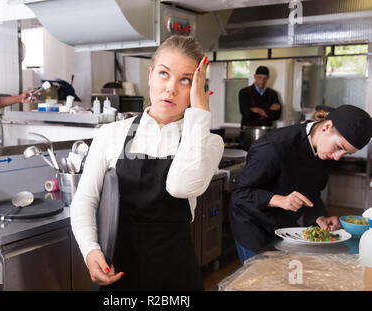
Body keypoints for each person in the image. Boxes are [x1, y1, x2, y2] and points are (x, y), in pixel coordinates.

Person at [70, 35, 224, 290]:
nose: (171, 89)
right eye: (164, 74)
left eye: (185, 80)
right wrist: (90, 251)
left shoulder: (207, 142)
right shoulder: (111, 134)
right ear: (150, 75)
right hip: (116, 270)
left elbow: (181, 187)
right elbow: (85, 200)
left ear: (197, 87)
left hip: (175, 274)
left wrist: (200, 114)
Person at [229, 104, 372, 264]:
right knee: (258, 280)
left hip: (285, 227)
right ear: (327, 126)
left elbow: (312, 192)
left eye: (346, 153)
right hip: (253, 224)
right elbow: (240, 194)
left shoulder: (326, 152)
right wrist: (280, 200)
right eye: (339, 147)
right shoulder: (273, 147)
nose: (338, 157)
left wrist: (320, 217)